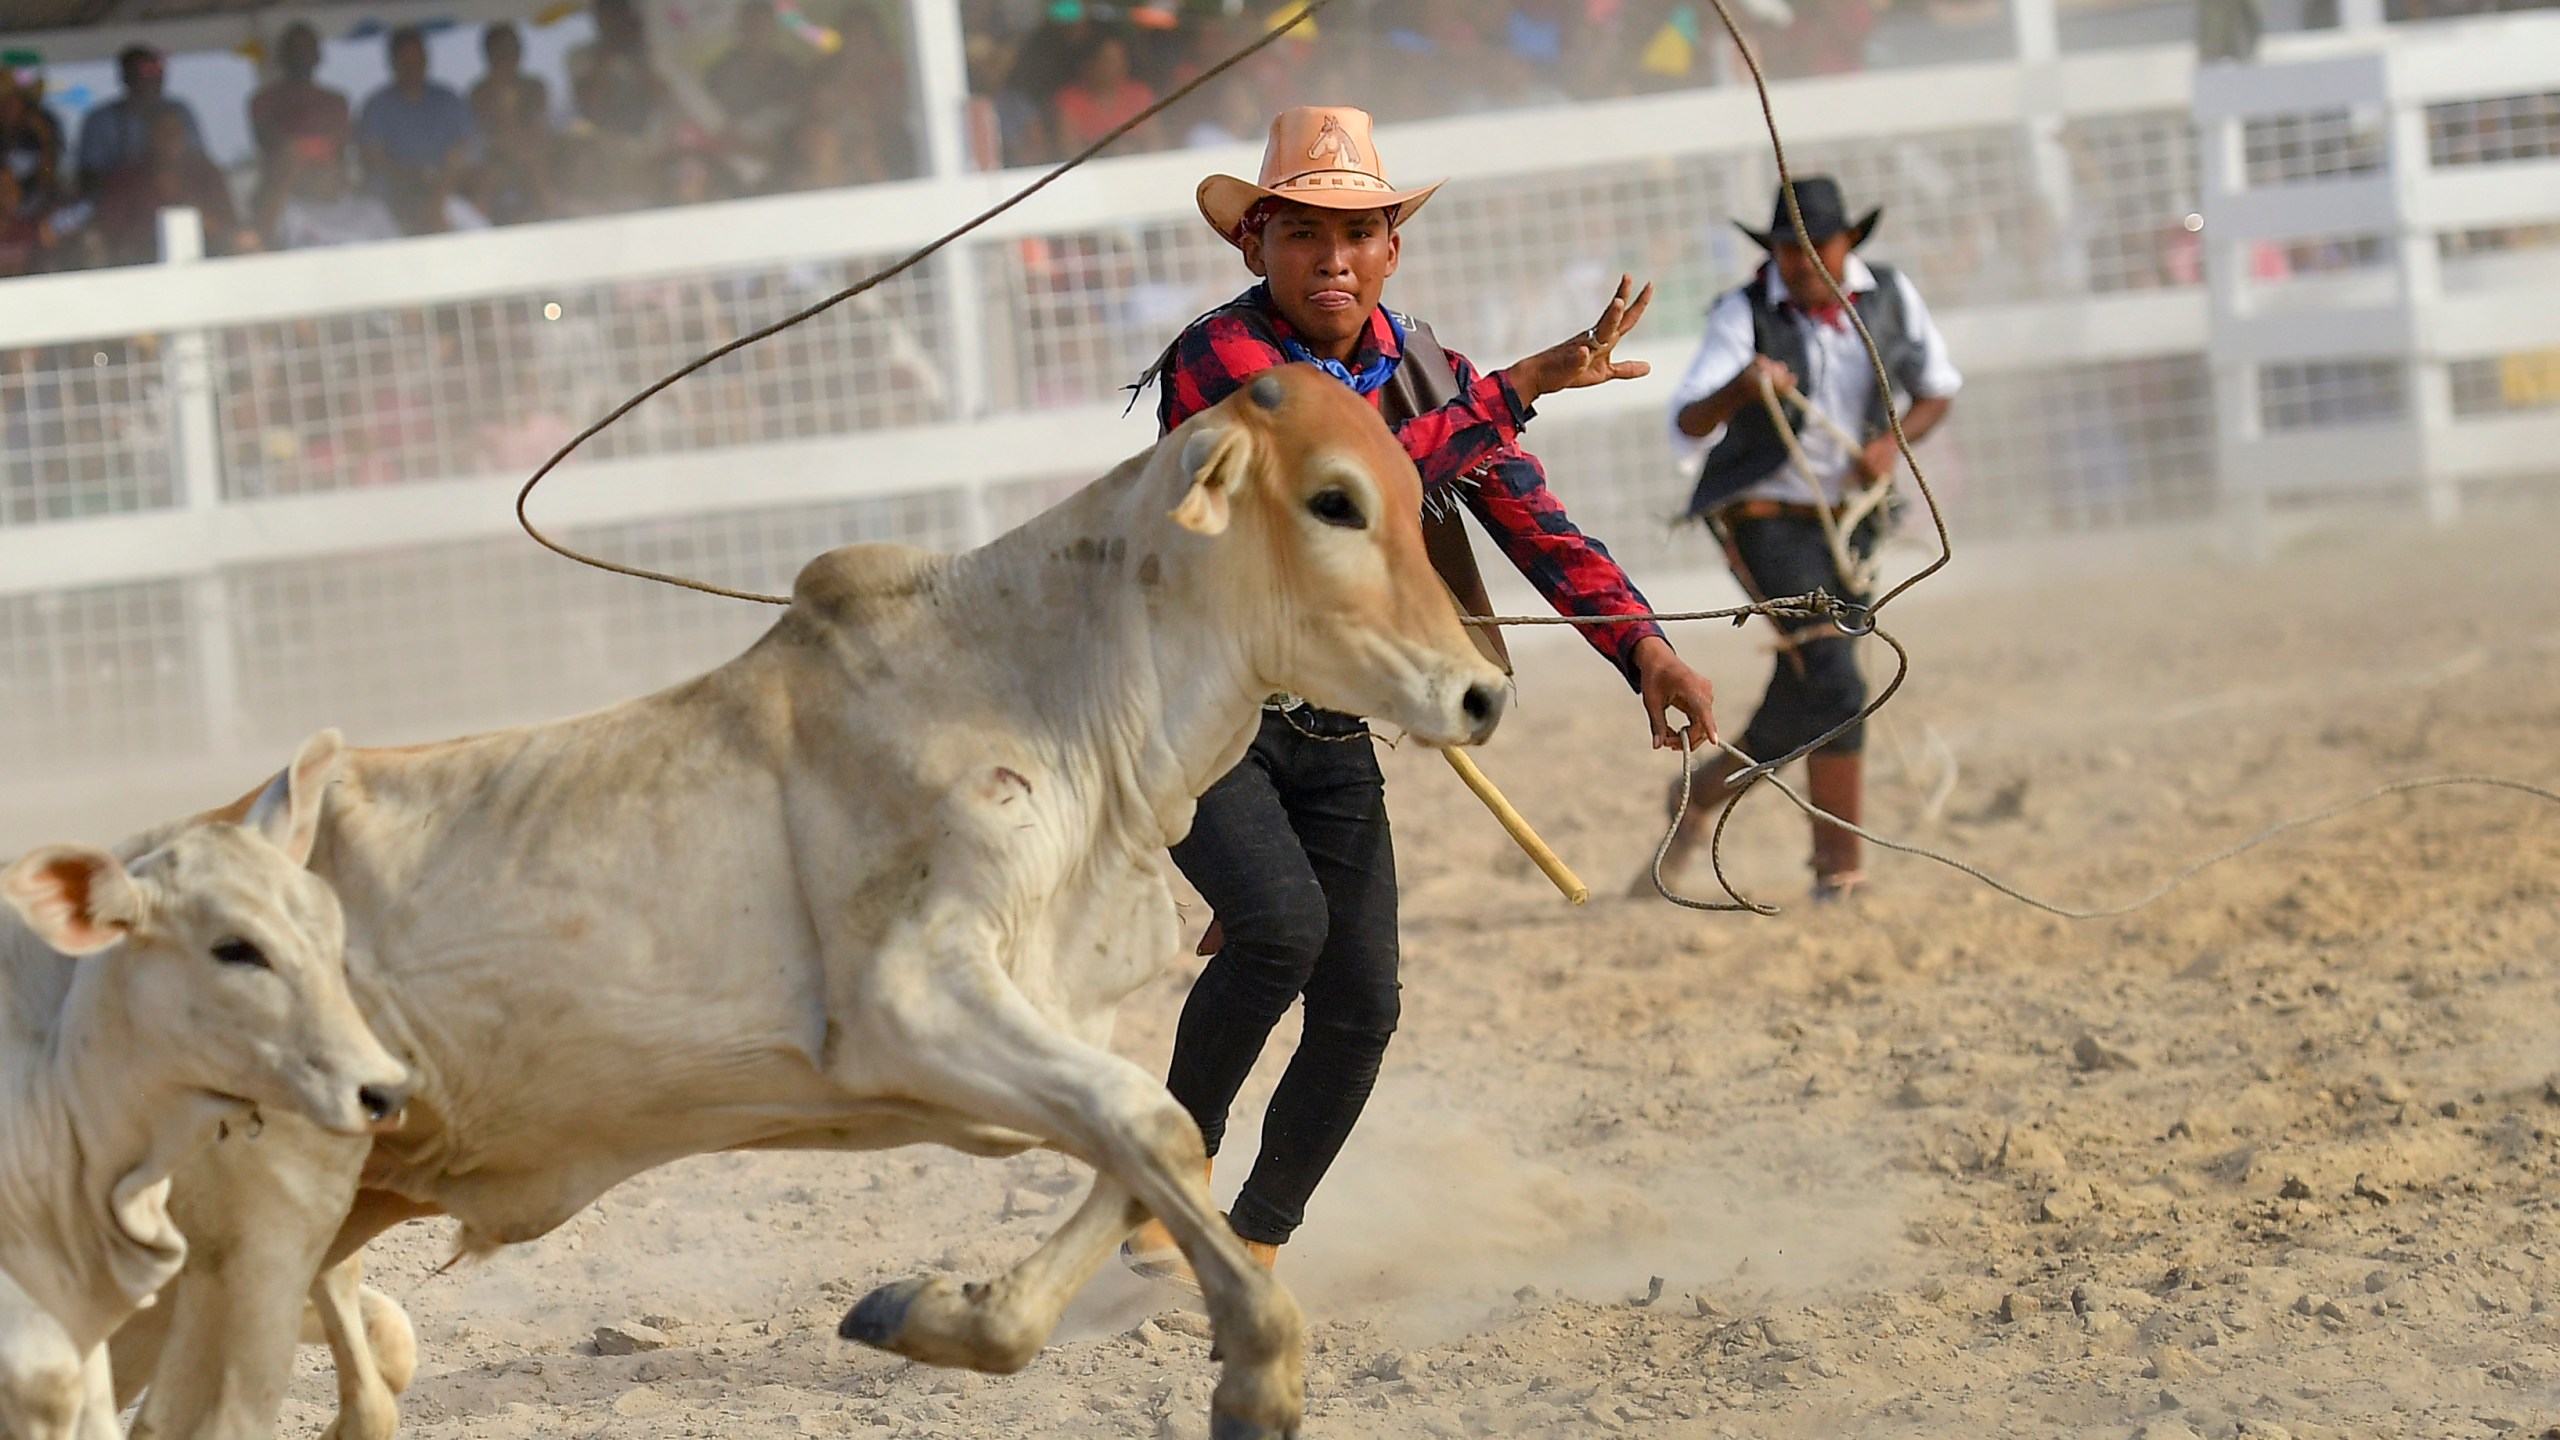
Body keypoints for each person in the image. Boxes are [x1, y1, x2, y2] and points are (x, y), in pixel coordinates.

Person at [1120, 107, 1718, 1279]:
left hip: (1333, 715)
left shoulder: (1435, 373)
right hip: (1204, 708)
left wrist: (1641, 650)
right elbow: (1329, 480)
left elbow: (1533, 524)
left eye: (1358, 232)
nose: (1332, 258)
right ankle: (1164, 1177)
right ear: (1257, 248)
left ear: (1392, 246)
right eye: (1303, 233)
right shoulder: (1220, 359)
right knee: (1282, 931)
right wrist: (1522, 384)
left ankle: (1252, 1247)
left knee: (1361, 1006)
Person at [1651, 176, 1960, 901]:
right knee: (1839, 682)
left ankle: (1706, 791)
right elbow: (1688, 423)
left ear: (1847, 242)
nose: (1800, 261)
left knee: (1812, 687)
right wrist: (1742, 388)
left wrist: (1891, 444)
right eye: (1788, 249)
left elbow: (1938, 388)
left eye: (1814, 245)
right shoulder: (1743, 312)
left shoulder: (1889, 295)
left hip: (1850, 526)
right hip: (1764, 522)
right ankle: (1839, 873)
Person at [356, 27, 479, 235]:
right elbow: (372, 158)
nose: (413, 67)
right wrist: (412, 176)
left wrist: (440, 190)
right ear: (393, 63)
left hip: (448, 186)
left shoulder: (447, 99)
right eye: (406, 62)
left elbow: (464, 147)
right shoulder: (377, 106)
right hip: (397, 190)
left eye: (418, 59)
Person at [93, 106, 250, 265]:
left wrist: (206, 224)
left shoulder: (205, 174)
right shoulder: (126, 180)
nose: (170, 138)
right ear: (147, 138)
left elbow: (233, 231)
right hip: (138, 275)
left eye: (176, 131)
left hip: (210, 272)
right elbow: (108, 237)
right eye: (162, 131)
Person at [75, 45, 204, 193]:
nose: (154, 76)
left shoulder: (178, 112)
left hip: (176, 197)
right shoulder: (100, 120)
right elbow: (88, 175)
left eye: (158, 69)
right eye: (146, 70)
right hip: (119, 202)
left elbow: (198, 159)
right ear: (126, 76)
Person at [705, 0, 809, 180]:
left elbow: (799, 118)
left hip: (781, 163)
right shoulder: (720, 73)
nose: (757, 32)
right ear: (741, 29)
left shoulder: (790, 70)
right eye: (751, 26)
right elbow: (710, 121)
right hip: (729, 162)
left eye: (763, 26)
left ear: (773, 30)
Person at [469, 23, 554, 224]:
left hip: (533, 157)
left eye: (511, 49)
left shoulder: (535, 87)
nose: (506, 56)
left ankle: (556, 221)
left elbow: (541, 128)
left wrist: (523, 147)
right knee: (487, 179)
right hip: (495, 162)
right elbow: (479, 141)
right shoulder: (478, 94)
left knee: (538, 169)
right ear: (488, 55)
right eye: (500, 51)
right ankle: (478, 232)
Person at [1052, 32, 1160, 153]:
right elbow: (1070, 151)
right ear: (1088, 64)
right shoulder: (1070, 100)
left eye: (1121, 59)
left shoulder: (1140, 94)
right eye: (1108, 60)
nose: (1119, 66)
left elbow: (1156, 143)